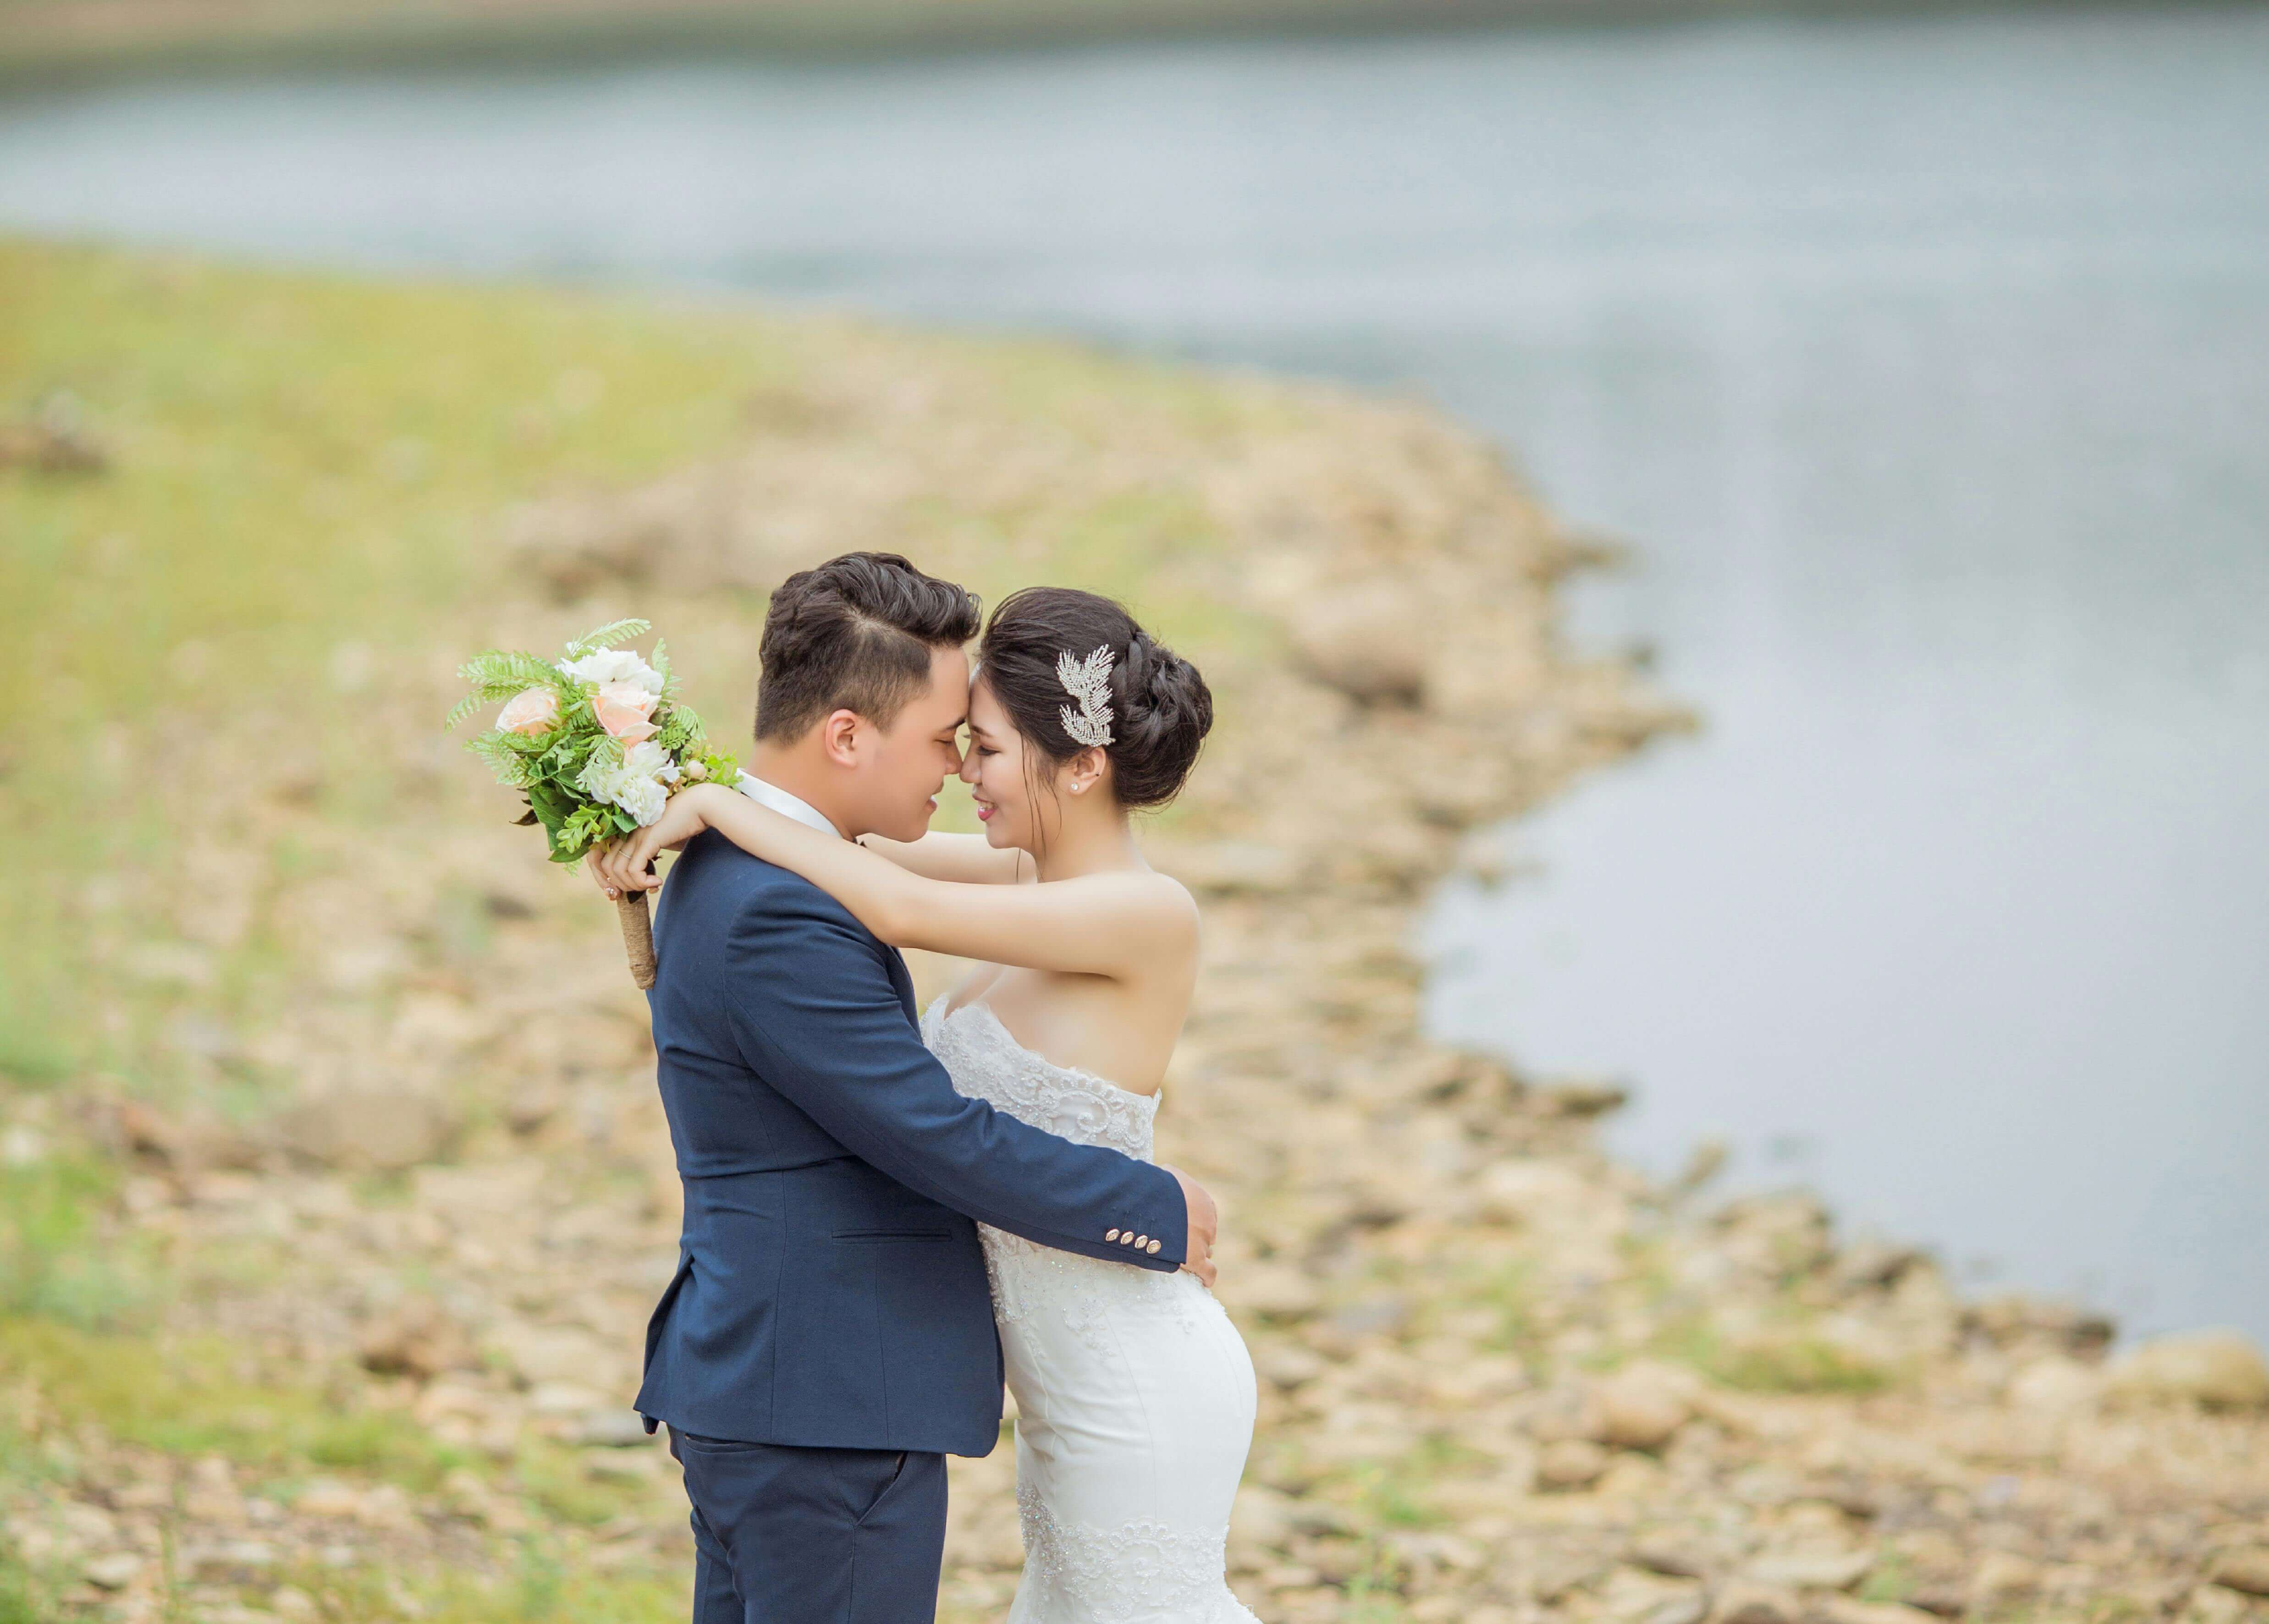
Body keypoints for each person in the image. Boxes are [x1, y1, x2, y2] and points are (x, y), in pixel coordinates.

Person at [596, 580, 1261, 1623]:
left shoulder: (1141, 908)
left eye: (982, 745)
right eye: (958, 738)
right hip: (1015, 1375)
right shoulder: (1015, 878)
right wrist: (703, 801)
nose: (961, 770)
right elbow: (846, 851)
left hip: (1125, 1365)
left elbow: (887, 895)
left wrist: (719, 802)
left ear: (1083, 763)